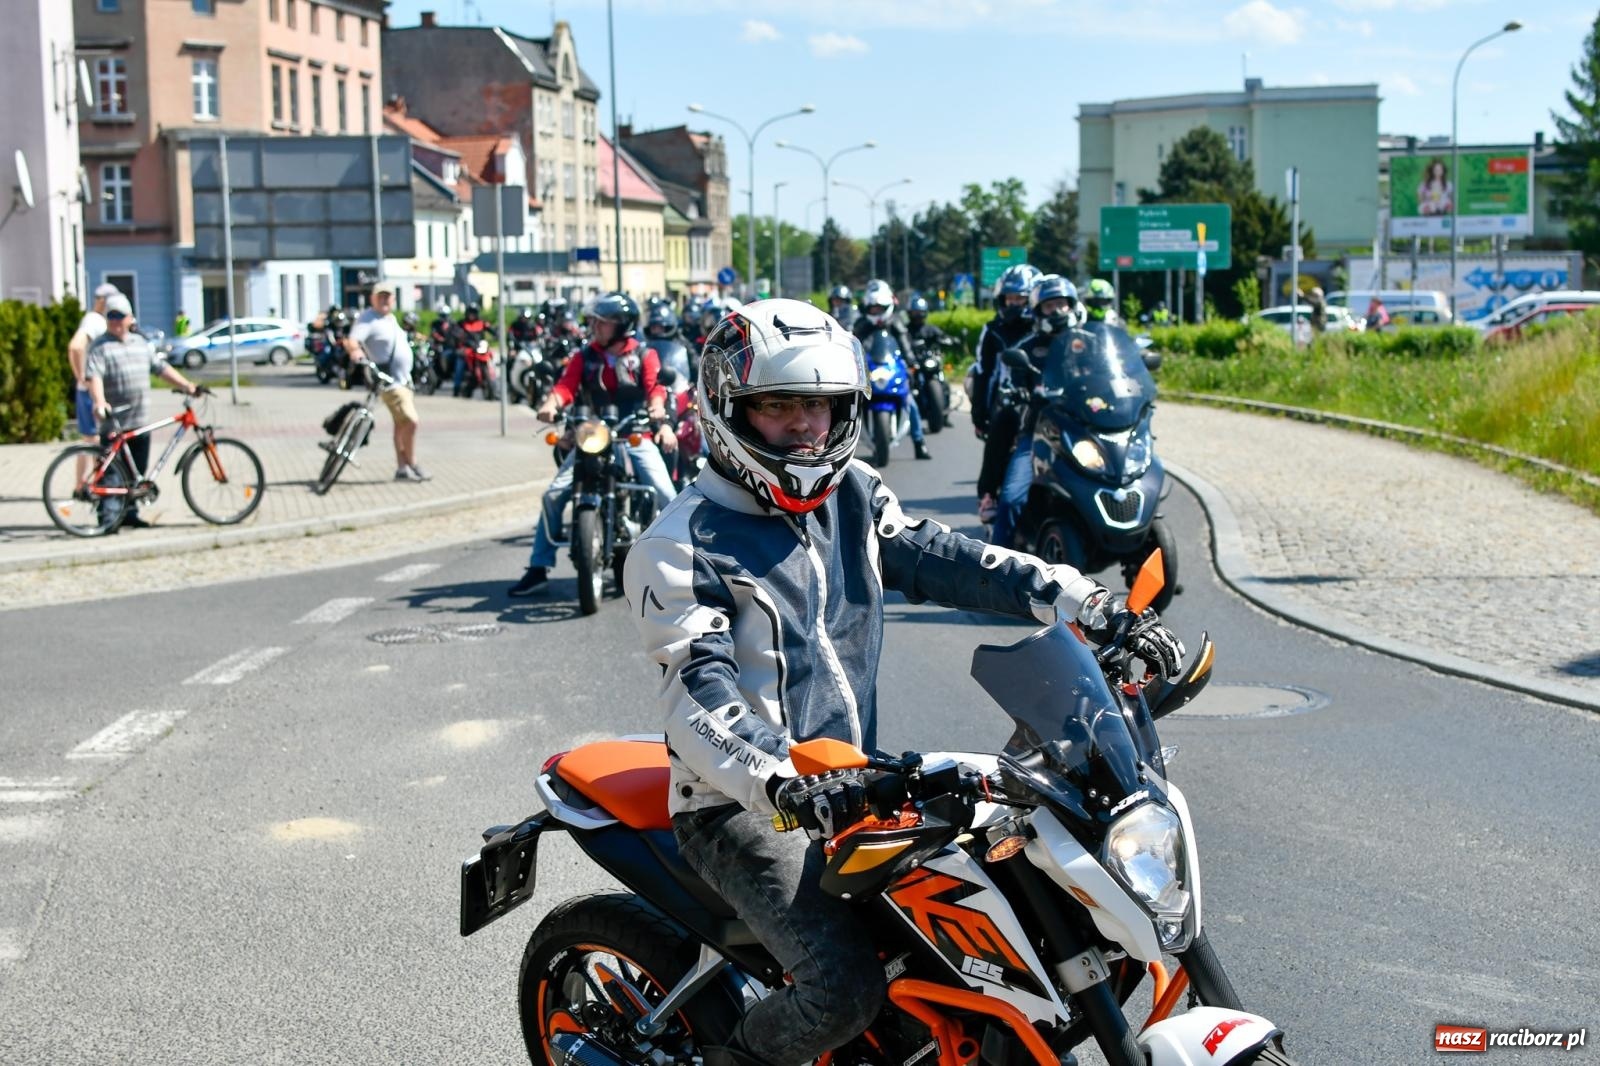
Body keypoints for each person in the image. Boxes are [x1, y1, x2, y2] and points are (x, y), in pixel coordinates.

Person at [620, 298, 1186, 1066]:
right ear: (728, 408)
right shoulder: (679, 544)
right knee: (842, 991)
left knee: (998, 930)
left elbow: (948, 557)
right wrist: (784, 779)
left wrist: (1085, 602)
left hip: (854, 786)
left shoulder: (852, 493)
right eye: (778, 406)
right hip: (745, 808)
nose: (806, 426)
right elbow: (699, 696)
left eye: (821, 405)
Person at [510, 293, 678, 596]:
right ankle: (538, 567)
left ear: (622, 325)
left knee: (666, 493)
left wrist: (657, 410)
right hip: (592, 435)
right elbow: (566, 386)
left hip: (633, 432)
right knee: (553, 495)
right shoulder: (584, 356)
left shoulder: (644, 355)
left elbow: (655, 388)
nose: (595, 327)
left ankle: (684, 564)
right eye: (595, 321)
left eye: (603, 322)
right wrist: (551, 402)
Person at [84, 294, 203, 529]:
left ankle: (130, 514)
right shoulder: (100, 347)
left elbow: (160, 368)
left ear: (130, 318)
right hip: (114, 421)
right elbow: (94, 377)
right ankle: (108, 520)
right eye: (111, 316)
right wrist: (99, 402)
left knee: (136, 472)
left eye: (119, 316)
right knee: (113, 474)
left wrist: (187, 385)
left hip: (140, 420)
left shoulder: (140, 343)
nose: (115, 321)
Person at [991, 274, 1078, 551]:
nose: (1058, 311)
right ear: (1038, 311)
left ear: (1073, 305)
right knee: (1011, 499)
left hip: (1084, 431)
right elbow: (1010, 384)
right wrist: (1020, 393)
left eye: (1062, 304)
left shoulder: (1087, 342)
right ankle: (994, 565)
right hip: (1039, 433)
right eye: (1050, 306)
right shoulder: (1027, 348)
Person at [972, 263, 1040, 521]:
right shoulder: (993, 330)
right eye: (1008, 299)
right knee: (1002, 426)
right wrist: (980, 412)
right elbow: (984, 372)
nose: (1013, 304)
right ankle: (988, 493)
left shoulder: (1045, 326)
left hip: (1050, 398)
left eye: (1019, 298)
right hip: (1011, 398)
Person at [345, 281, 429, 482]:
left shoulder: (389, 318)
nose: (384, 300)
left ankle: (402, 468)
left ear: (393, 299)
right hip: (390, 382)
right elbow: (352, 340)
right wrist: (355, 351)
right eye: (380, 296)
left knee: (400, 424)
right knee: (411, 421)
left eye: (387, 296)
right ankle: (412, 463)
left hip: (403, 381)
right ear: (372, 299)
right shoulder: (368, 318)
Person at [852, 278, 930, 460]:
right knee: (849, 405)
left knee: (910, 402)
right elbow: (852, 346)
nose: (877, 312)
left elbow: (905, 344)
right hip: (867, 371)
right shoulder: (861, 325)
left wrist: (911, 362)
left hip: (892, 368)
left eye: (880, 308)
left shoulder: (896, 322)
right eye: (873, 309)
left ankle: (919, 443)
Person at [68, 283, 120, 474]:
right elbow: (76, 346)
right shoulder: (94, 320)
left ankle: (82, 484)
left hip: (90, 390)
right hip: (92, 391)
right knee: (95, 440)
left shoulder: (97, 320)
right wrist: (81, 376)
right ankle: (96, 482)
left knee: (90, 439)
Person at [453, 304, 494, 397]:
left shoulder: (481, 323)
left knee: (490, 359)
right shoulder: (461, 323)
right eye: (470, 313)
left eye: (474, 313)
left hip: (480, 347)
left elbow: (491, 329)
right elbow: (456, 332)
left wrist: (496, 333)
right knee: (459, 366)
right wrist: (462, 339)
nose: (472, 315)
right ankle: (456, 387)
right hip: (466, 348)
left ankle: (491, 382)